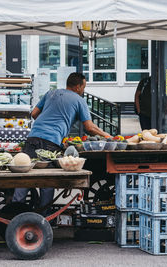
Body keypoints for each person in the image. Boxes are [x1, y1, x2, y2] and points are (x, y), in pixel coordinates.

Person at [13, 72, 110, 215]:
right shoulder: (78, 100)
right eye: (84, 87)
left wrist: (46, 123)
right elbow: (89, 128)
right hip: (50, 143)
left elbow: (34, 114)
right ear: (77, 87)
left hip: (32, 138)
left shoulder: (51, 93)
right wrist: (107, 135)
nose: (83, 90)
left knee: (26, 175)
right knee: (47, 181)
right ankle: (44, 218)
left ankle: (14, 213)